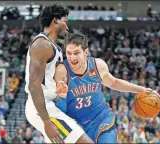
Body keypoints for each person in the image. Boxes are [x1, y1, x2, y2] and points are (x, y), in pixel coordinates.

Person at [54, 32, 158, 143]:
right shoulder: (62, 71)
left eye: (76, 53)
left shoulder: (97, 65)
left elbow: (114, 82)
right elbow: (60, 111)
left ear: (85, 52)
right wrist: (62, 97)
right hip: (76, 125)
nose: (72, 57)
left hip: (101, 119)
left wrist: (141, 89)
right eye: (68, 53)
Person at [24, 5, 93, 143]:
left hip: (50, 105)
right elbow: (33, 85)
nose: (67, 27)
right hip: (42, 107)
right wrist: (47, 122)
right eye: (65, 22)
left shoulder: (53, 46)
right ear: (55, 20)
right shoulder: (42, 45)